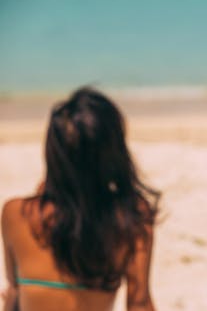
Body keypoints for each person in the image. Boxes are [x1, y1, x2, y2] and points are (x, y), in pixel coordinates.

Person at [1, 87, 160, 311]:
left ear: (51, 152)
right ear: (114, 153)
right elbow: (139, 303)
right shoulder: (130, 219)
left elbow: (14, 290)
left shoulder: (16, 214)